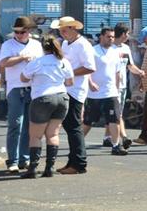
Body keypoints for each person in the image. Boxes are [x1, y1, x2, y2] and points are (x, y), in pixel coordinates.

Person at [18, 35, 74, 178]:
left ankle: (32, 168)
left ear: (43, 47)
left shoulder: (37, 62)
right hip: (61, 97)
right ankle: (49, 168)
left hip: (42, 98)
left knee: (36, 136)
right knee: (53, 134)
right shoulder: (63, 61)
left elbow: (23, 78)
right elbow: (70, 82)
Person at [0, 16, 43, 172]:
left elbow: (42, 63)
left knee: (29, 125)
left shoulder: (36, 45)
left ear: (29, 31)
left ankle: (25, 158)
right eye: (16, 32)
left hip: (33, 87)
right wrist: (22, 57)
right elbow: (3, 63)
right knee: (15, 123)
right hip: (15, 87)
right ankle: (13, 160)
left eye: (22, 32)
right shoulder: (8, 45)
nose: (19, 35)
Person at [58, 16, 96, 175]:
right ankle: (72, 161)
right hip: (66, 88)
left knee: (73, 127)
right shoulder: (65, 43)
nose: (62, 33)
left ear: (73, 28)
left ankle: (79, 163)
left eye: (64, 30)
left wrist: (70, 73)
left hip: (76, 90)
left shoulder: (83, 44)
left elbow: (90, 67)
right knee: (69, 126)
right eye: (60, 30)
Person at [82, 28, 127, 156]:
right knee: (89, 121)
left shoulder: (115, 52)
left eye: (112, 37)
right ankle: (77, 143)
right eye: (108, 36)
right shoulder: (93, 51)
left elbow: (117, 72)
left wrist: (117, 90)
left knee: (114, 119)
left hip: (110, 92)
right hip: (95, 94)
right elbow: (87, 69)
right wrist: (90, 83)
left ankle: (116, 145)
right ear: (101, 37)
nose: (111, 39)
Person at [111, 23, 144, 149]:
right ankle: (124, 137)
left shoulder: (126, 48)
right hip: (111, 87)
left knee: (115, 113)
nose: (129, 36)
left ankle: (107, 137)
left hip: (123, 86)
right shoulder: (110, 48)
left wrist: (139, 72)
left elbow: (130, 65)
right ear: (123, 34)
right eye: (128, 33)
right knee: (117, 113)